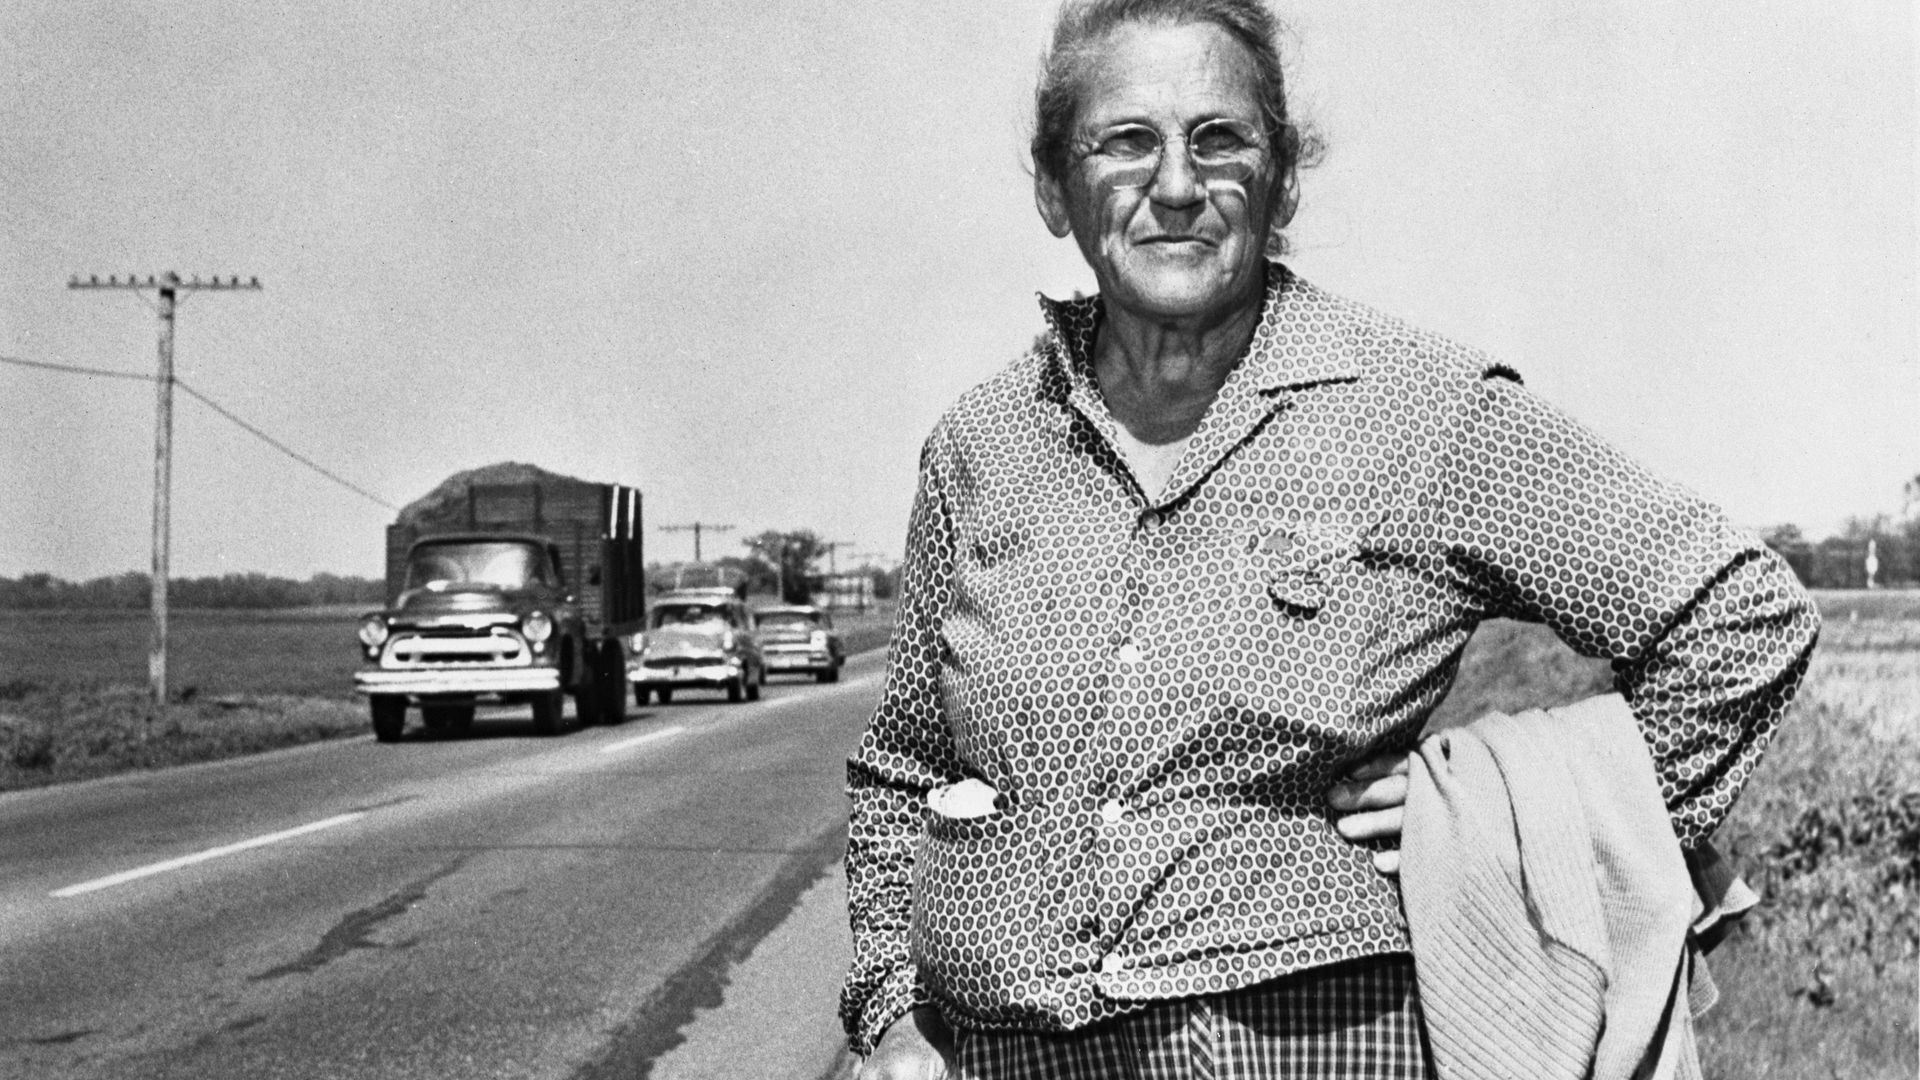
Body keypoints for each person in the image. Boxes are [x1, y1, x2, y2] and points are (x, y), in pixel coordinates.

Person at [841, 1, 1820, 1077]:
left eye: (1221, 139)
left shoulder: (1416, 410)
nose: (1175, 183)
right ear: (1052, 189)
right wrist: (892, 1013)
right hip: (1006, 1057)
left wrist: (1503, 816)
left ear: (1285, 178)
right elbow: (903, 774)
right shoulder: (980, 443)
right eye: (1126, 142)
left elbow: (1741, 618)